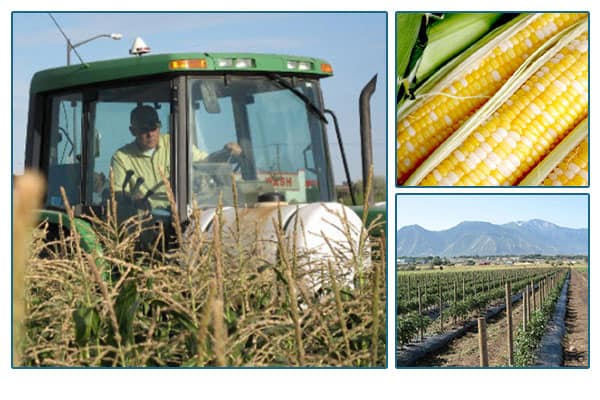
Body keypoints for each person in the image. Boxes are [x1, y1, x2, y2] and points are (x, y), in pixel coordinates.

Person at [111, 105, 241, 211]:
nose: (150, 134)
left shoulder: (175, 143)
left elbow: (205, 162)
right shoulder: (122, 157)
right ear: (132, 131)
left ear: (159, 126)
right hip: (148, 219)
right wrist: (133, 198)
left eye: (153, 128)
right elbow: (117, 193)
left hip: (184, 212)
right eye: (144, 130)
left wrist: (225, 152)